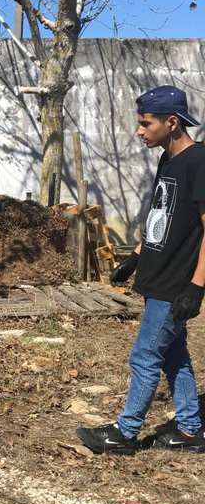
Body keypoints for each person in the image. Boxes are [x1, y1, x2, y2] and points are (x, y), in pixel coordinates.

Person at [77, 85, 205, 454]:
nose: (139, 130)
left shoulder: (199, 163)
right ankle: (191, 430)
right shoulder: (168, 158)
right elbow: (161, 215)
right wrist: (135, 255)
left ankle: (125, 432)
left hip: (176, 282)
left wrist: (196, 287)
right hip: (158, 273)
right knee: (173, 355)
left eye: (145, 123)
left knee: (146, 356)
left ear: (172, 122)